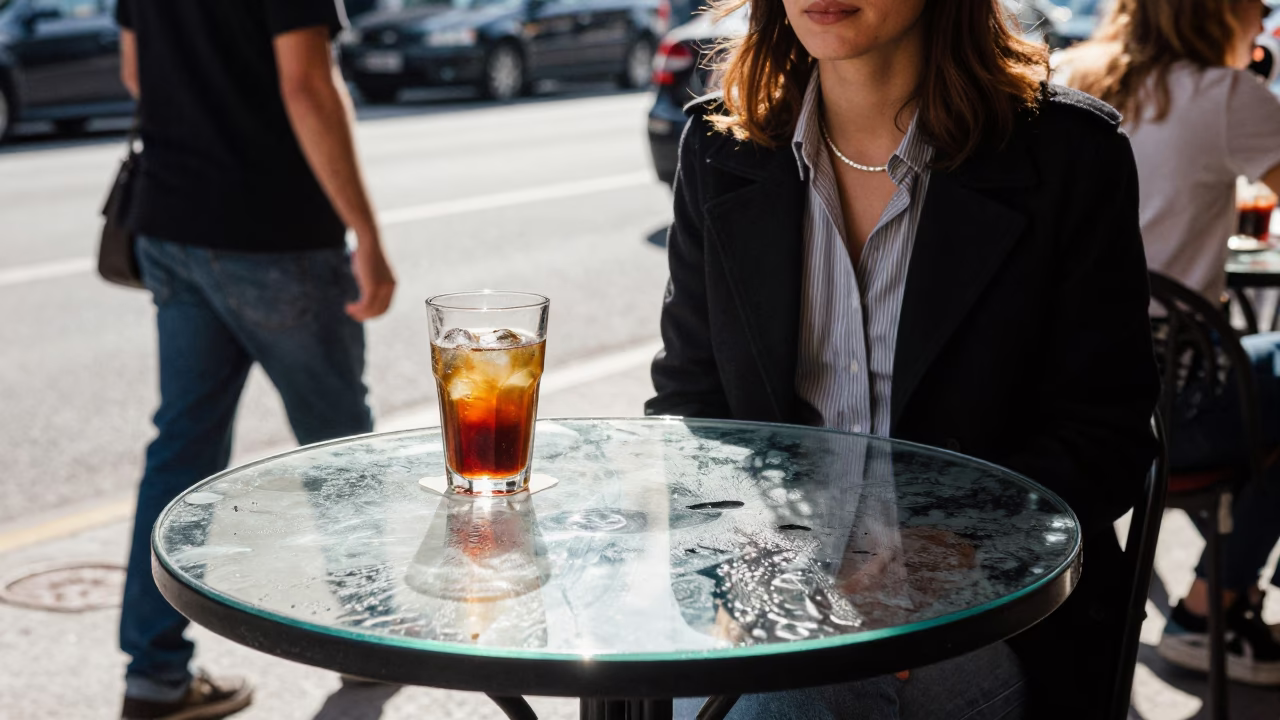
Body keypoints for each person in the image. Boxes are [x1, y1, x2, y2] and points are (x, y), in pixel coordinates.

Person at [646, 0, 1159, 717]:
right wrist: (745, 557)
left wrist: (947, 553)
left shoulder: (1068, 154)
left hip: (987, 605)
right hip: (768, 590)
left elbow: (1107, 434)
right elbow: (688, 404)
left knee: (770, 703)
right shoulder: (718, 145)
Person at [114, 0, 396, 717]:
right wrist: (365, 231)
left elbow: (135, 69)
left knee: (182, 446)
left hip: (171, 222)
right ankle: (370, 643)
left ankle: (154, 675)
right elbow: (306, 84)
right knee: (337, 446)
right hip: (276, 235)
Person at [1059, 0, 1280, 688]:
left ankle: (1215, 602)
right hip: (1162, 405)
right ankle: (1212, 606)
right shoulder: (1225, 96)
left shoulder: (1071, 77)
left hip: (1060, 394)